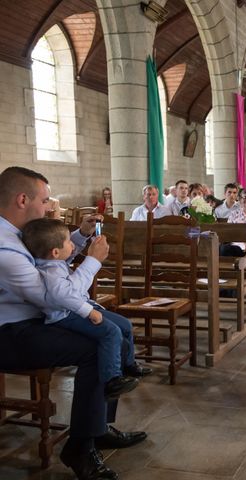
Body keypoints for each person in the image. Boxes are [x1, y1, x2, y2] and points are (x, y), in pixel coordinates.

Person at [0, 166, 147, 480]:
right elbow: (54, 297)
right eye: (45, 200)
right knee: (97, 345)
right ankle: (80, 447)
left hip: (34, 321)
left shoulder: (15, 233)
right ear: (23, 199)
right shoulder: (5, 248)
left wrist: (78, 236)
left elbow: (48, 260)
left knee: (114, 337)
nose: (49, 205)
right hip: (11, 333)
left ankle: (97, 427)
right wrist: (93, 260)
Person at [21, 218, 150, 398]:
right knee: (110, 332)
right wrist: (88, 311)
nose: (72, 245)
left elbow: (68, 256)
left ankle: (129, 365)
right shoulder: (51, 272)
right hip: (67, 314)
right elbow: (64, 295)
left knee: (125, 325)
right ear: (56, 252)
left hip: (76, 306)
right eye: (68, 242)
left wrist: (83, 234)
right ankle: (112, 380)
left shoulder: (53, 261)